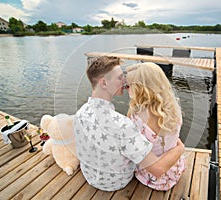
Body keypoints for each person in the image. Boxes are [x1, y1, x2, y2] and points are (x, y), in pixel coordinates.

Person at [74, 56, 184, 191]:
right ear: (104, 83)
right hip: (117, 182)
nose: (124, 81)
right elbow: (157, 168)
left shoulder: (81, 113)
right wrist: (180, 148)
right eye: (120, 77)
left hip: (89, 176)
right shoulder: (123, 125)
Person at [126, 62, 186, 191]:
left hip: (152, 177)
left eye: (128, 86)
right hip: (174, 169)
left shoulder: (136, 117)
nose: (126, 89)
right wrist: (180, 147)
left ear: (140, 89)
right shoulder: (173, 108)